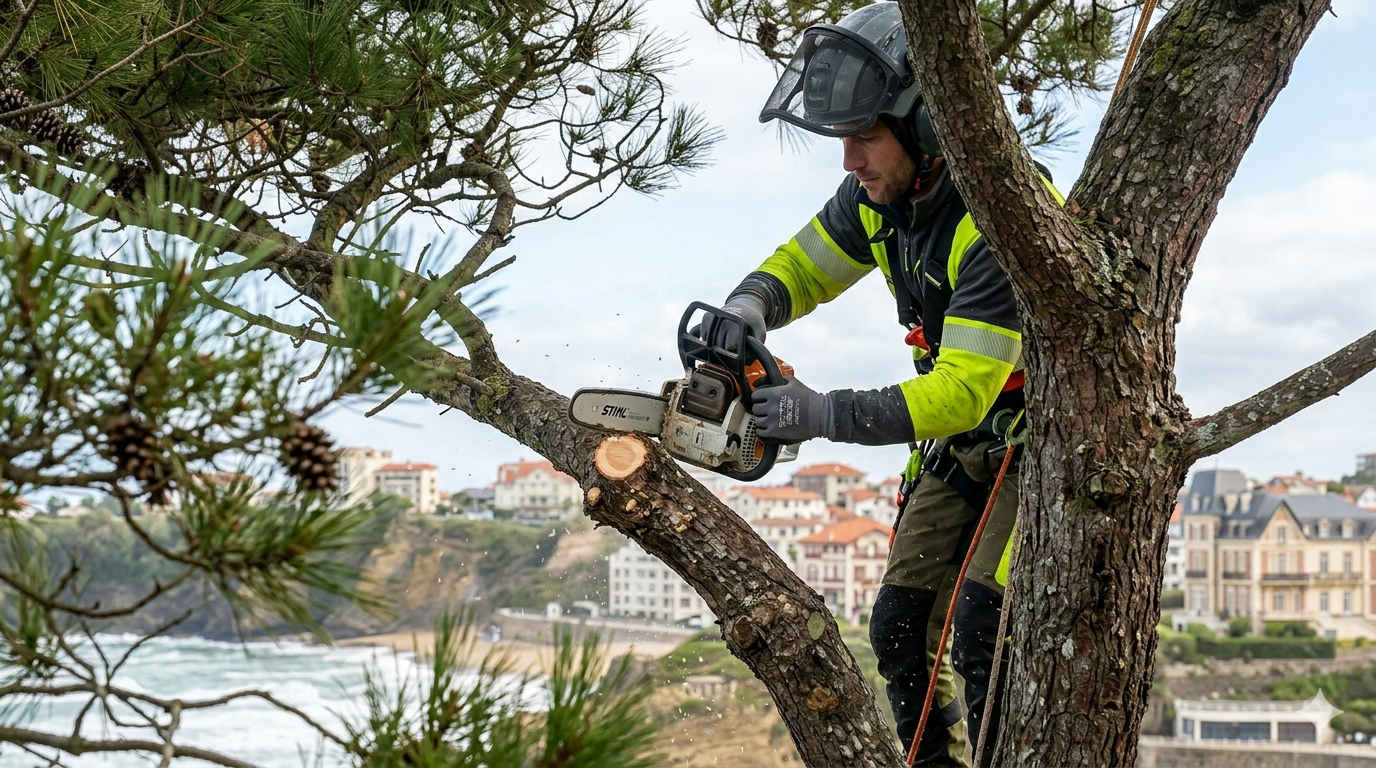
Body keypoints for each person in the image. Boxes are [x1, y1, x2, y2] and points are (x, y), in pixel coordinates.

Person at [689, 3, 1061, 764]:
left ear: (924, 126)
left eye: (865, 138)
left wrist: (825, 412)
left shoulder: (999, 218)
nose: (851, 162)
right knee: (898, 621)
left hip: (1038, 443)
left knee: (986, 622)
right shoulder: (883, 196)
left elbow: (963, 390)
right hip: (962, 446)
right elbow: (805, 264)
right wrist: (750, 303)